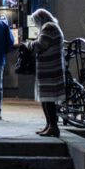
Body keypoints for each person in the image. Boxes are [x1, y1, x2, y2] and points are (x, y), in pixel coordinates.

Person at [26, 8, 65, 137]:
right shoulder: (53, 26)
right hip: (50, 67)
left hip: (50, 69)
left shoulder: (48, 27)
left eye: (35, 22)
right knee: (46, 99)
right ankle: (49, 125)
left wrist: (28, 45)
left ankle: (53, 126)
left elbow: (41, 45)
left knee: (48, 99)